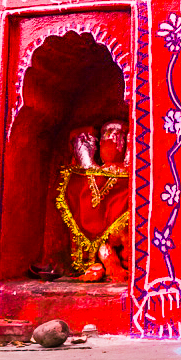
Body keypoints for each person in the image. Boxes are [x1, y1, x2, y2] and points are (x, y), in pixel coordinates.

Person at [53, 120, 131, 283]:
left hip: (121, 239)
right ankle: (102, 261)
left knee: (122, 232)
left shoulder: (126, 171)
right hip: (99, 237)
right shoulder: (90, 173)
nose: (112, 142)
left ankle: (112, 261)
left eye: (117, 138)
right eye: (105, 138)